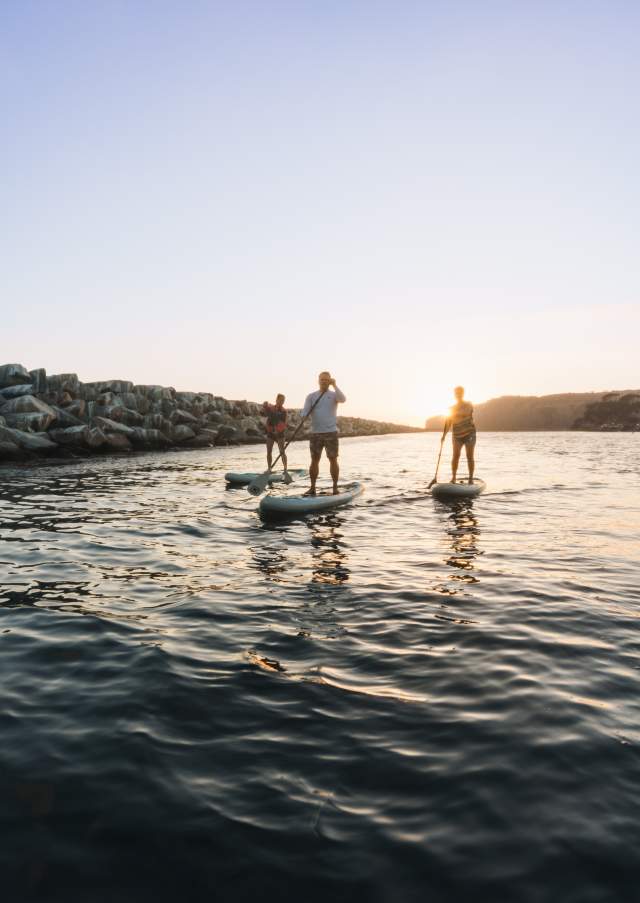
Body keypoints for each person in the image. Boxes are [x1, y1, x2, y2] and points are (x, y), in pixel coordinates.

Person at [301, 371, 346, 495]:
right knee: (314, 460)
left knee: (333, 459)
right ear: (318, 380)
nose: (323, 381)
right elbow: (305, 411)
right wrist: (304, 415)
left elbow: (343, 399)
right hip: (315, 433)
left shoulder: (334, 395)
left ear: (330, 381)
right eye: (322, 379)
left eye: (326, 379)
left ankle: (335, 488)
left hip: (331, 432)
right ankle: (312, 488)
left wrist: (335, 385)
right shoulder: (311, 396)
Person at [442, 386, 476, 483]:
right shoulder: (451, 408)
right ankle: (453, 478)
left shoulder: (469, 404)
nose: (458, 395)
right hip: (457, 435)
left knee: (469, 456)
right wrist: (444, 435)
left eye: (460, 393)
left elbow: (465, 413)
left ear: (463, 394)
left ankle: (470, 479)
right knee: (455, 455)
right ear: (454, 395)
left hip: (470, 434)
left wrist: (453, 413)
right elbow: (448, 422)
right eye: (456, 393)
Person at [262, 393, 288, 472]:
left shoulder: (284, 411)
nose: (282, 402)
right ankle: (269, 468)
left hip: (280, 433)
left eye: (283, 401)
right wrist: (265, 405)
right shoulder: (270, 408)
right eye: (280, 400)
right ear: (276, 400)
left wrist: (277, 430)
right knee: (269, 451)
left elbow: (283, 423)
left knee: (282, 451)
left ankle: (285, 468)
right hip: (271, 434)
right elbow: (264, 412)